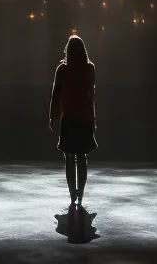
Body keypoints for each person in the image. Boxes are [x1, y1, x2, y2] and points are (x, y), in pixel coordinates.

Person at [48, 34, 97, 209]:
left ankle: (72, 193)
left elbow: (55, 95)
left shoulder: (62, 69)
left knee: (69, 155)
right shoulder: (89, 68)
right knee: (82, 155)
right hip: (83, 116)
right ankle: (81, 193)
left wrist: (52, 116)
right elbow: (91, 97)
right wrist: (93, 119)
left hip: (68, 117)